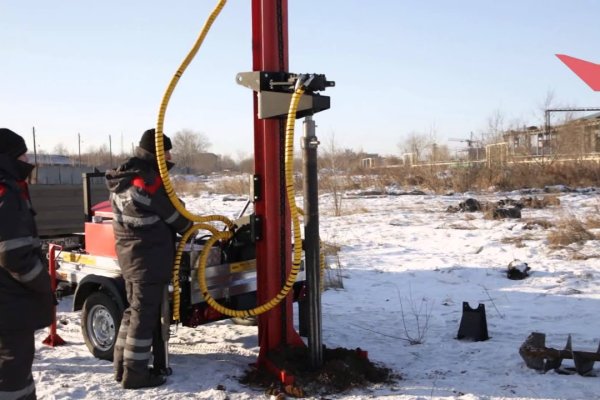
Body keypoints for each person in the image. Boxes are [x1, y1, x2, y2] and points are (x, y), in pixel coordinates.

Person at [106, 128, 192, 389]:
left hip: (131, 257)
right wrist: (191, 224)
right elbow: (178, 220)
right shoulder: (149, 182)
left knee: (133, 313)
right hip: (149, 259)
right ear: (157, 152)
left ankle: (122, 368)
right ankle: (136, 375)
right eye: (166, 151)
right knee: (143, 319)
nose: (169, 156)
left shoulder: (124, 178)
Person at [0, 128, 53, 400]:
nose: (28, 160)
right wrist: (43, 284)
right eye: (23, 154)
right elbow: (14, 254)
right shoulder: (6, 193)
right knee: (14, 371)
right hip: (10, 303)